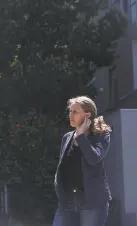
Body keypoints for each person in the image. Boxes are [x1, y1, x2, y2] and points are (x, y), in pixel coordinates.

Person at [53, 96, 112, 226]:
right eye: (70, 111)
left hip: (92, 202)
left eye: (75, 111)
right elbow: (63, 167)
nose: (71, 115)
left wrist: (80, 136)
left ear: (87, 115)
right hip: (67, 202)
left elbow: (94, 158)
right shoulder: (67, 137)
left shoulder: (101, 135)